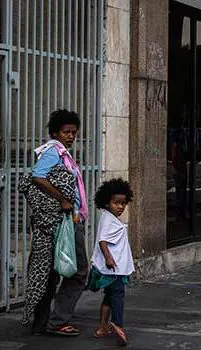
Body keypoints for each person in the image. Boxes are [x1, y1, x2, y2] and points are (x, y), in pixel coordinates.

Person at [21, 109, 89, 336]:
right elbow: (37, 176)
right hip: (65, 221)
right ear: (55, 133)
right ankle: (58, 320)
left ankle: (42, 320)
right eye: (66, 132)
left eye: (74, 132)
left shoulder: (61, 153)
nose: (71, 136)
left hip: (68, 219)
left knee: (53, 272)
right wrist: (63, 200)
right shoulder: (53, 151)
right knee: (78, 272)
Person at [87, 178, 135, 346]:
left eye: (123, 203)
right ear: (107, 203)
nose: (120, 207)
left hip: (114, 266)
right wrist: (108, 258)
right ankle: (118, 323)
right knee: (118, 295)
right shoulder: (108, 219)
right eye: (116, 203)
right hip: (114, 267)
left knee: (109, 296)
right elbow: (102, 241)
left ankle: (102, 327)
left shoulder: (110, 217)